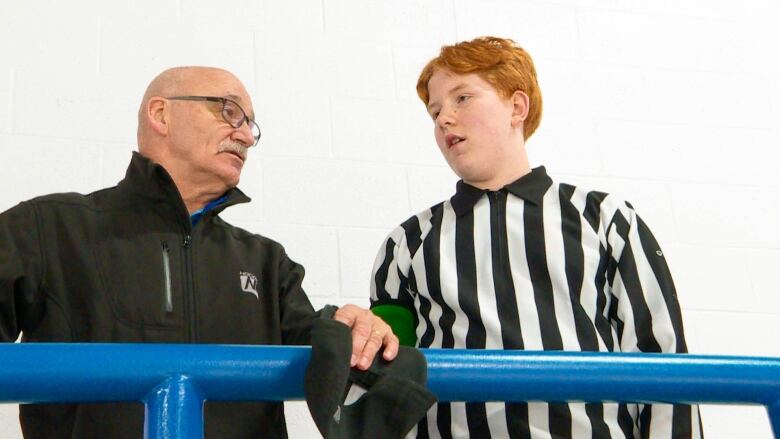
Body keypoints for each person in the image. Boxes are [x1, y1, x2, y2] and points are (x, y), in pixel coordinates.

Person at [0, 66, 398, 439]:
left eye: (250, 126)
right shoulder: (46, 229)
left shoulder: (267, 262)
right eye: (229, 111)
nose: (244, 136)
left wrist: (354, 329)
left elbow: (325, 352)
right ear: (161, 114)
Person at [370, 37, 702, 438]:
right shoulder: (406, 244)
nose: (444, 119)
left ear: (516, 107)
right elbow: (387, 387)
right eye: (435, 110)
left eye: (462, 98)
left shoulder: (606, 220)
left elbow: (662, 357)